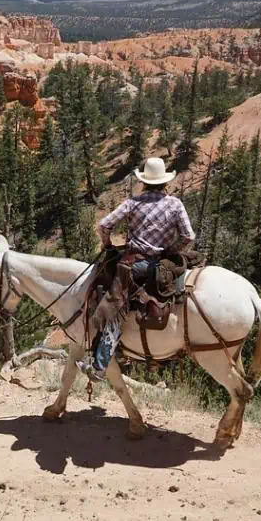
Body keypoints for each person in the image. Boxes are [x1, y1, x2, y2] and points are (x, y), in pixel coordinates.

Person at [88, 157, 195, 379]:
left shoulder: (133, 203)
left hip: (135, 265)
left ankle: (100, 364)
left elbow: (104, 224)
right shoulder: (175, 204)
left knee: (115, 303)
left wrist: (107, 245)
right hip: (164, 265)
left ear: (144, 181)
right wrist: (169, 251)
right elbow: (188, 236)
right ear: (165, 182)